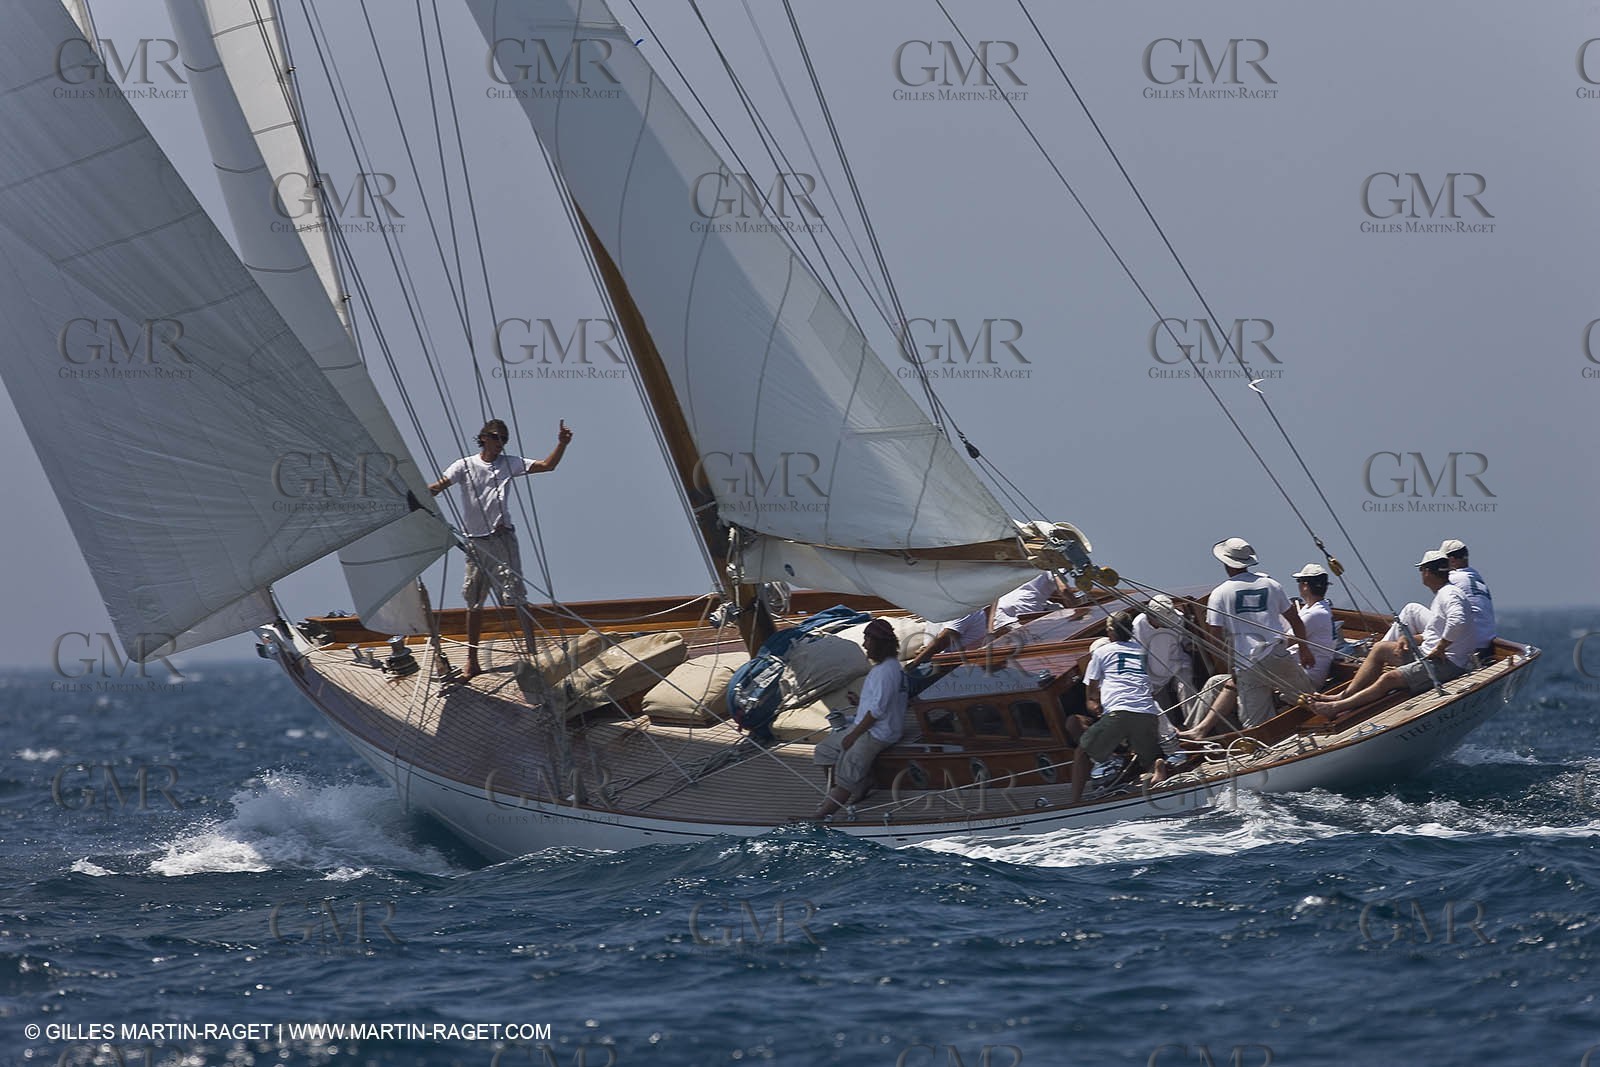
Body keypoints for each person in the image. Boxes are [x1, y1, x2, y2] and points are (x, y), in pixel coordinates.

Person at [428, 418, 572, 678]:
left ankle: (532, 653)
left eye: (504, 439)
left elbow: (547, 466)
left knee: (516, 596)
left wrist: (561, 444)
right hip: (476, 542)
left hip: (502, 538)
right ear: (483, 437)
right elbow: (440, 485)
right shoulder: (464, 465)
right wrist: (424, 492)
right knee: (473, 601)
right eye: (496, 437)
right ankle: (472, 660)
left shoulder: (509, 463)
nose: (500, 443)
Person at [1306, 549, 1472, 723]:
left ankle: (1336, 707)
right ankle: (1343, 695)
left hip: (1446, 663)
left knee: (1389, 678)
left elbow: (1458, 621)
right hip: (1428, 654)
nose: (1421, 574)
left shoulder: (1448, 594)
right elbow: (1433, 633)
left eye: (1421, 570)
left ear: (1427, 572)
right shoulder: (1443, 593)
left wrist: (1441, 648)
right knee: (1380, 649)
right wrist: (1409, 639)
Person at [1204, 537, 1316, 728]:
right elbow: (1295, 620)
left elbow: (1214, 636)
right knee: (1310, 701)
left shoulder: (1219, 594)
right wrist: (1304, 650)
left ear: (1226, 562)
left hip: (1247, 665)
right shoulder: (1271, 584)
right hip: (1276, 654)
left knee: (1256, 725)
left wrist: (1231, 667)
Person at [1070, 611, 1170, 803]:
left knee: (1082, 752)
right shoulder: (1141, 651)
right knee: (1149, 757)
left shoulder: (1100, 652)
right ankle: (1158, 766)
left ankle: (1075, 802)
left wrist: (1094, 705)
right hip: (1147, 713)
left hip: (1120, 712)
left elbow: (1092, 694)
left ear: (1110, 631)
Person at [814, 618, 909, 818]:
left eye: (868, 640)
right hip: (867, 726)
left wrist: (853, 735)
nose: (865, 645)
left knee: (847, 772)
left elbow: (877, 712)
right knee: (824, 751)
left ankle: (822, 815)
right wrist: (860, 702)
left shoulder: (886, 672)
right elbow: (882, 702)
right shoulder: (886, 667)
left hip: (878, 733)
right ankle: (847, 788)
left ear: (879, 643)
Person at [1440, 539, 1496, 665]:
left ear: (1452, 560)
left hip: (1469, 644)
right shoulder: (1476, 576)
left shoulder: (1452, 579)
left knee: (1411, 612)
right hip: (1487, 643)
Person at [1291, 563, 1337, 688]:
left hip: (1307, 677)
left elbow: (1287, 640)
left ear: (1305, 586)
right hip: (1300, 671)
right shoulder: (1315, 608)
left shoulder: (1315, 614)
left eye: (1299, 581)